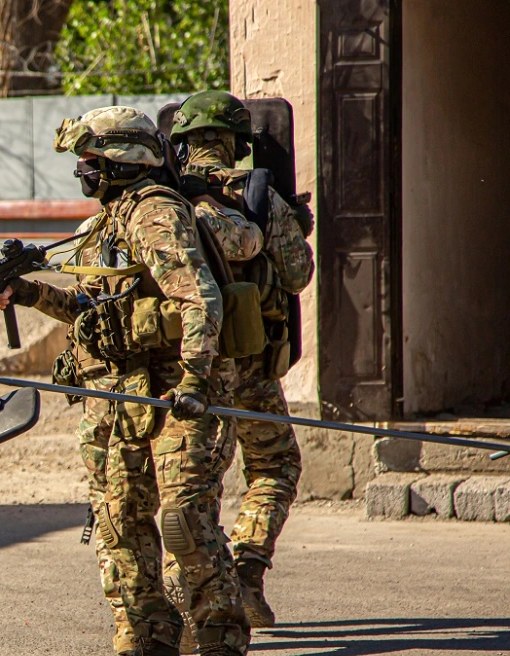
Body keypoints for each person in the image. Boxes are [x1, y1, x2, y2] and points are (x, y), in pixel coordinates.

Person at [0, 105, 250, 656]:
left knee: (185, 521)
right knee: (120, 527)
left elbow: (198, 298)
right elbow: (93, 309)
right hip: (117, 399)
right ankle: (147, 634)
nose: (82, 170)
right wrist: (33, 293)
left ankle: (219, 635)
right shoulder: (103, 224)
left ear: (120, 160)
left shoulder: (154, 213)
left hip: (175, 394)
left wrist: (196, 380)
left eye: (89, 159)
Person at [164, 90, 315, 635]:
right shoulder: (257, 195)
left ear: (180, 143)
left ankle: (191, 602)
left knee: (191, 488)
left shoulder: (163, 201)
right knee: (274, 468)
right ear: (237, 143)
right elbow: (297, 277)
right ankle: (246, 572)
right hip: (251, 364)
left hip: (188, 369)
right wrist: (294, 224)